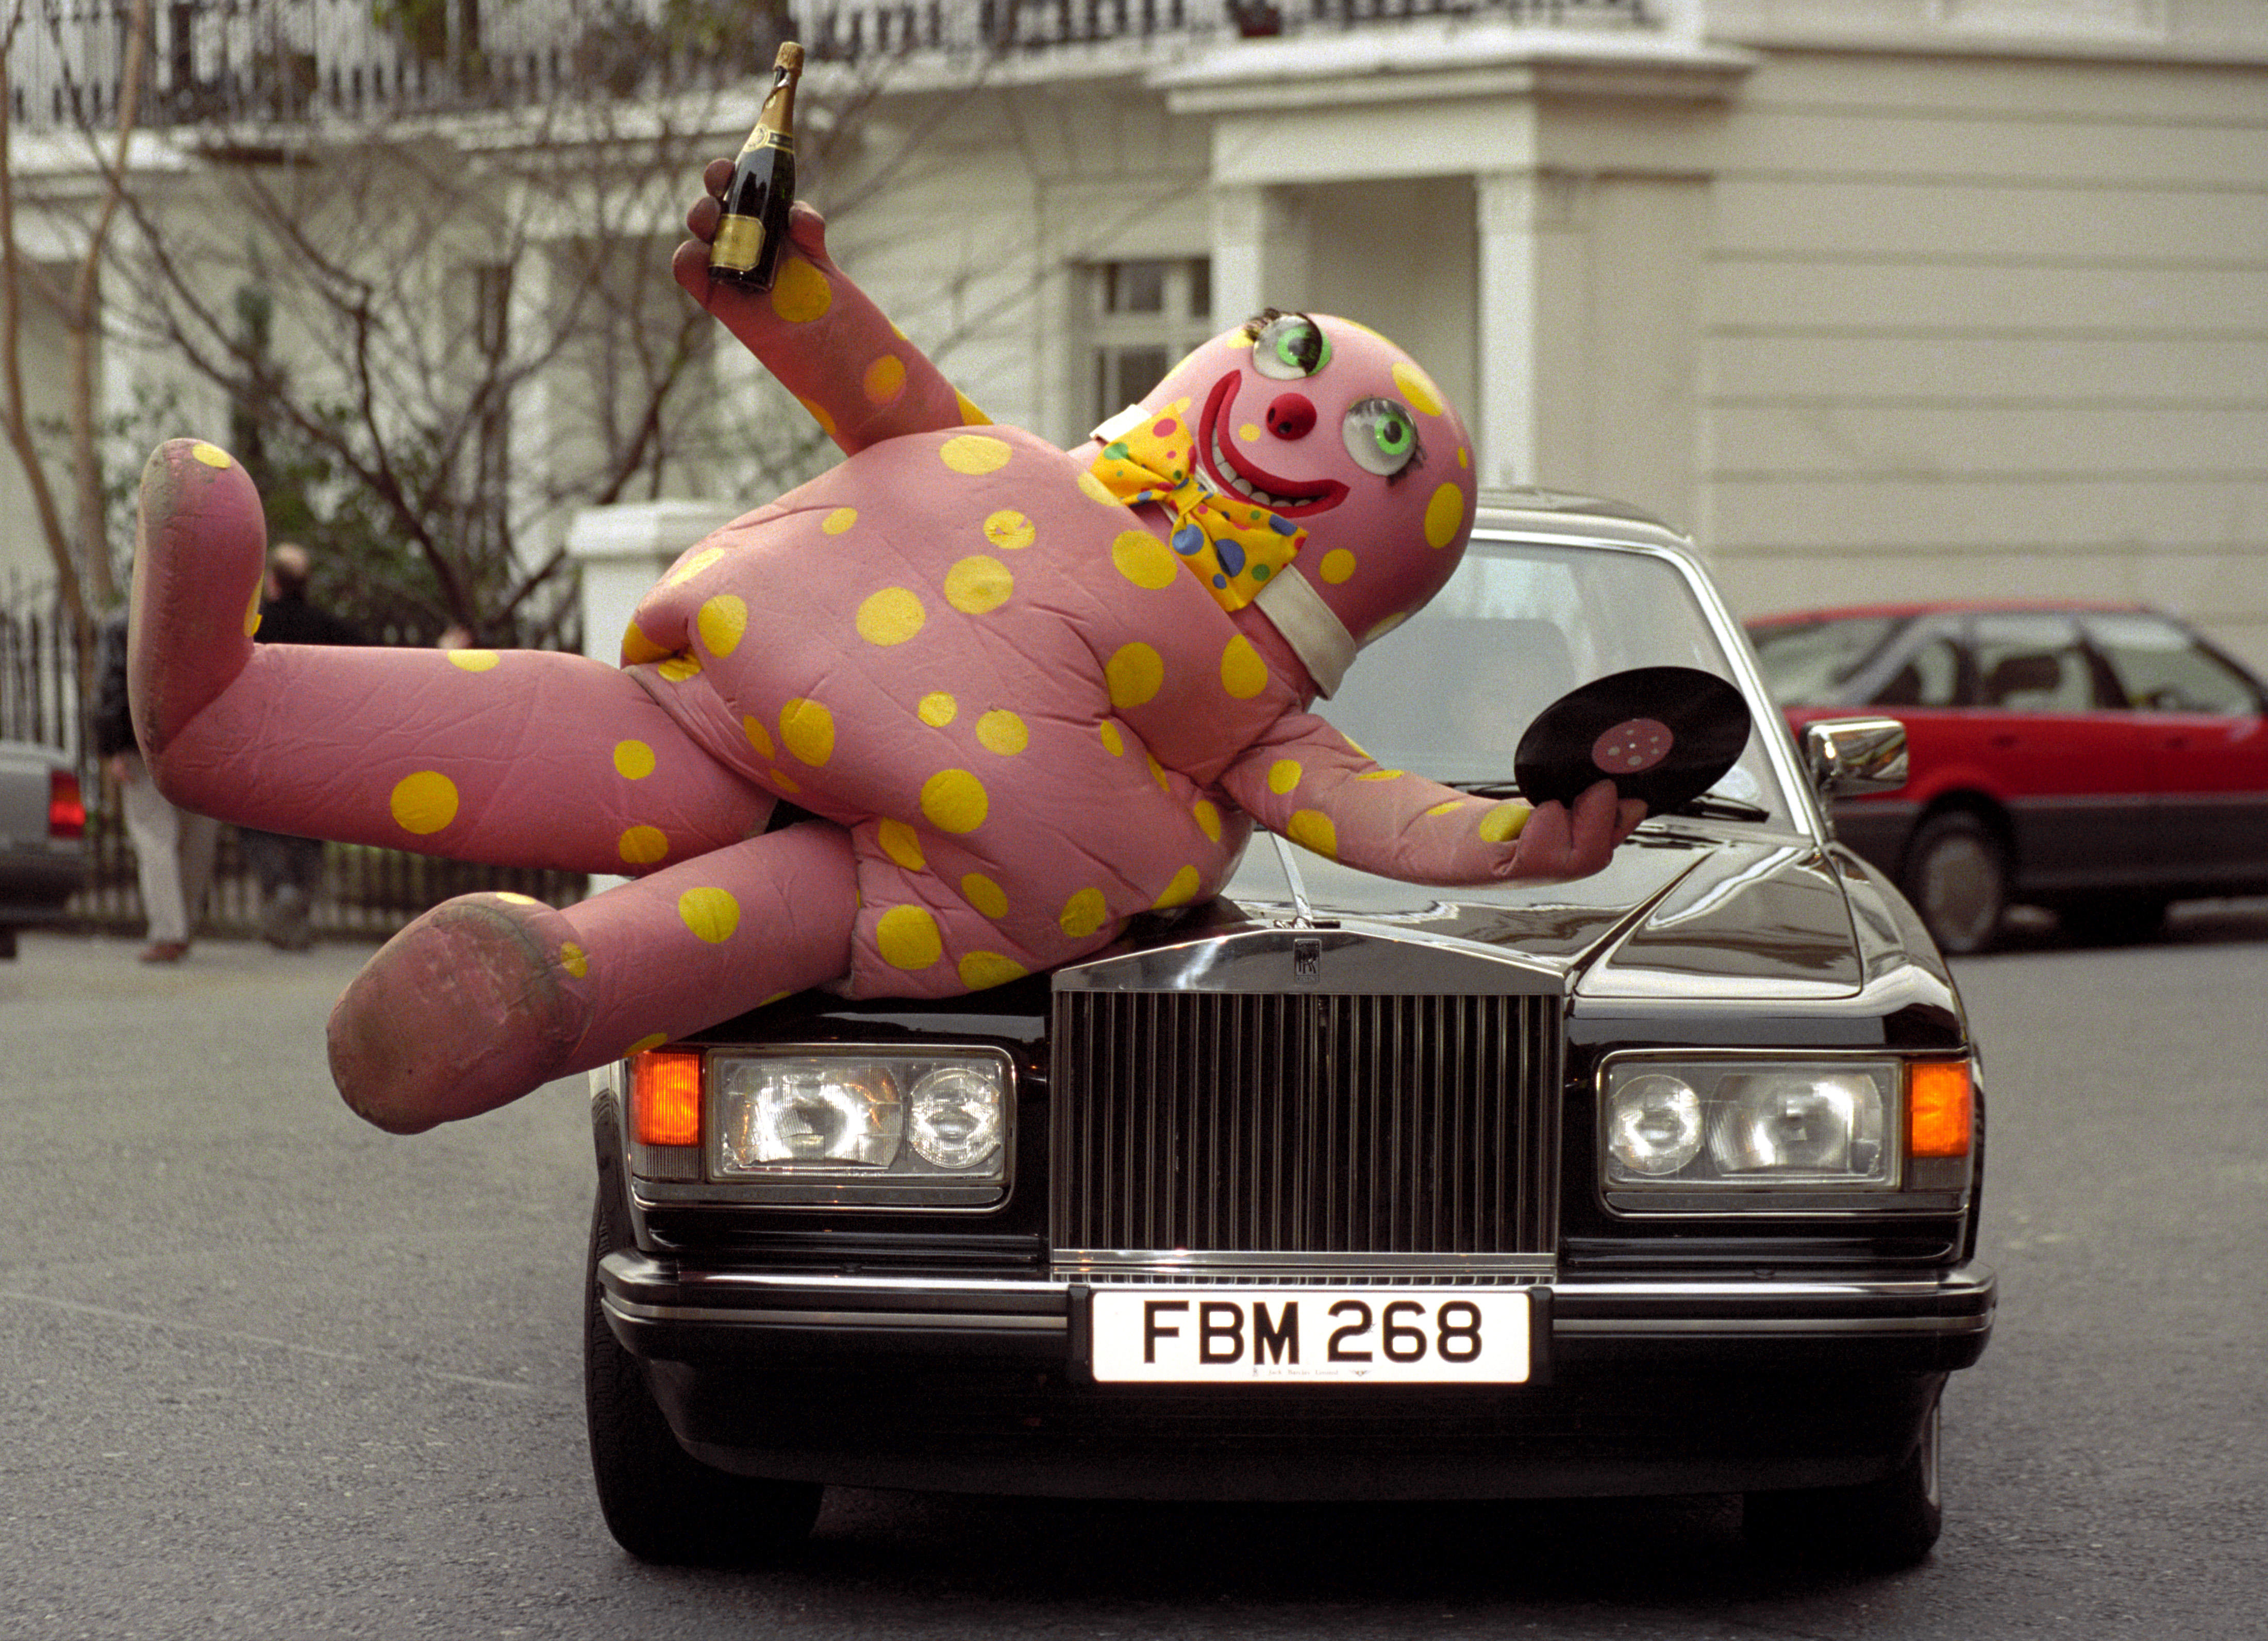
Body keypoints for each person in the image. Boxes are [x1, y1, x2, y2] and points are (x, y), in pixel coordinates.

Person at [237, 542, 366, 950]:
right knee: (310, 828)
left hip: (265, 743)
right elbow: (377, 658)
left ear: (273, 582)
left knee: (255, 825)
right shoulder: (327, 626)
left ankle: (280, 889)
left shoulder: (255, 627)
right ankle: (302, 904)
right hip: (316, 745)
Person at [92, 608, 219, 963]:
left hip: (144, 740)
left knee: (153, 836)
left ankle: (168, 930)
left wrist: (115, 746)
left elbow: (115, 685)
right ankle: (186, 922)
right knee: (197, 834)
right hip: (203, 738)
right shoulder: (206, 620)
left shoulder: (124, 624)